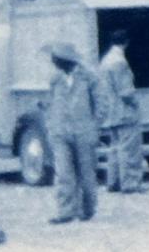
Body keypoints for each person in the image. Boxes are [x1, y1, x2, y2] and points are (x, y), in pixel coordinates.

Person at [47, 42, 101, 224]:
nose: (54, 62)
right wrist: (51, 126)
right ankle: (65, 211)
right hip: (61, 131)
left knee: (86, 173)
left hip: (85, 131)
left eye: (56, 59)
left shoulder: (88, 77)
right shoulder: (55, 79)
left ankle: (88, 208)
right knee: (63, 173)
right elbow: (51, 103)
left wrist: (95, 125)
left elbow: (101, 102)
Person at [99, 29, 144, 194]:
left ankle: (113, 181)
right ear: (126, 42)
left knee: (114, 148)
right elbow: (126, 91)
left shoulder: (105, 60)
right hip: (125, 112)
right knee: (129, 149)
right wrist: (136, 104)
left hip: (112, 112)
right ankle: (130, 183)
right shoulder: (120, 62)